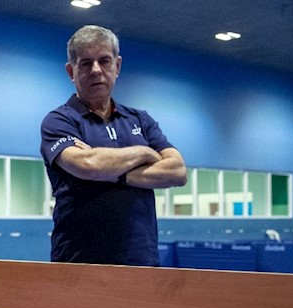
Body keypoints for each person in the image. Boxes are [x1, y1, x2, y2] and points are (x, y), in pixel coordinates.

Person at [40, 25, 187, 266]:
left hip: (141, 262)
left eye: (104, 61)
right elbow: (87, 164)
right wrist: (144, 152)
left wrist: (113, 172)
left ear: (117, 66)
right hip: (79, 264)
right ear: (71, 71)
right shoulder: (59, 121)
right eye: (85, 63)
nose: (96, 70)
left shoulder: (141, 120)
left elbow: (178, 171)